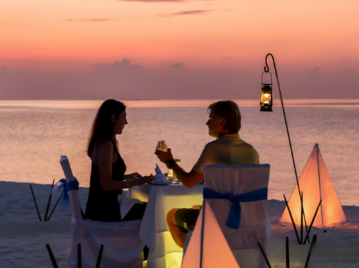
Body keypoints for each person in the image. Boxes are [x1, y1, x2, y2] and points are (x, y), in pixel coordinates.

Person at [155, 100, 259, 246]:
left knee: (171, 215)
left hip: (217, 221)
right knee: (195, 207)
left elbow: (189, 182)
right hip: (246, 218)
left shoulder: (213, 148)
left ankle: (201, 252)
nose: (207, 123)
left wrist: (170, 162)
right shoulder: (251, 151)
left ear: (222, 122)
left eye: (211, 119)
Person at [84, 99, 154, 222]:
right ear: (113, 118)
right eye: (123, 117)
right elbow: (106, 185)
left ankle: (141, 241)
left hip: (100, 208)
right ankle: (142, 241)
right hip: (105, 212)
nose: (126, 122)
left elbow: (105, 176)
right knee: (155, 211)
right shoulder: (106, 145)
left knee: (149, 209)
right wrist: (135, 182)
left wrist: (127, 177)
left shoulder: (101, 142)